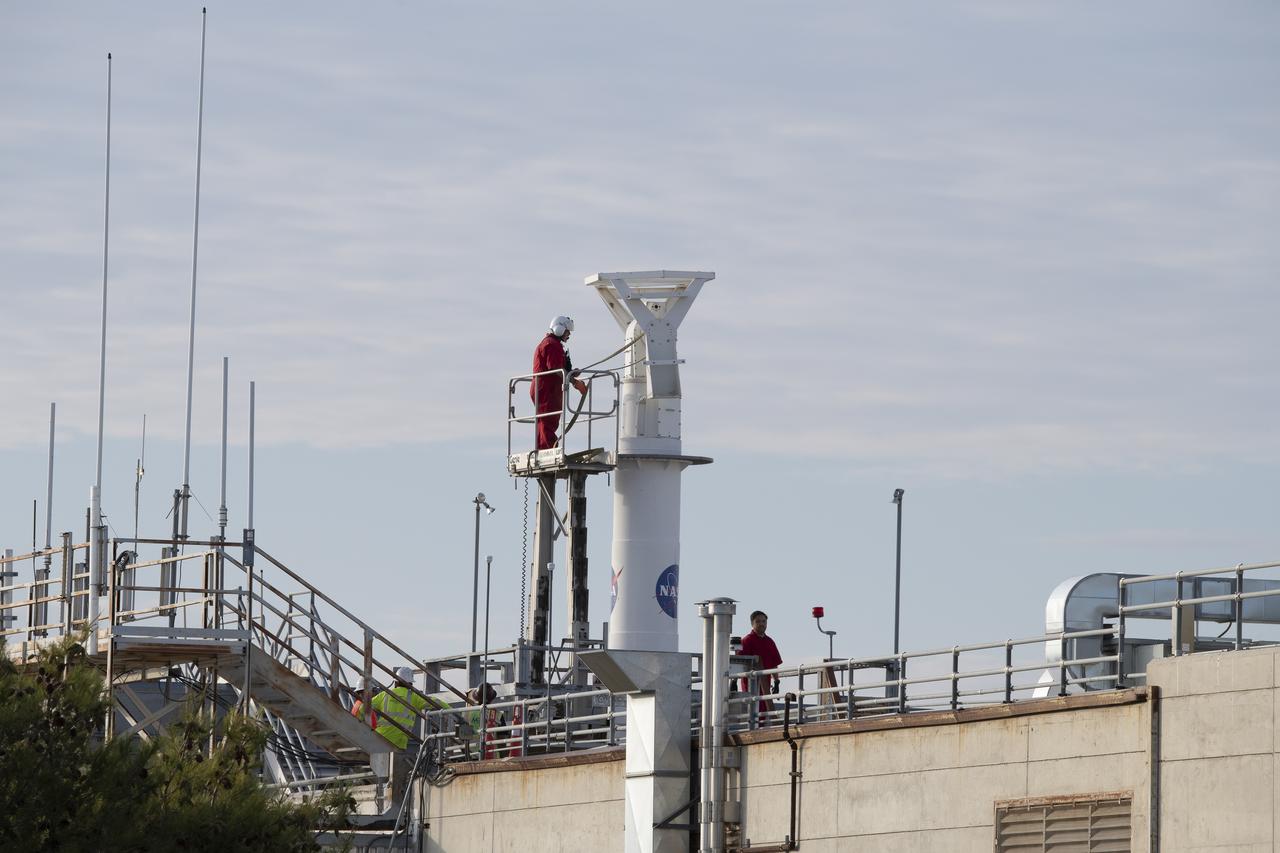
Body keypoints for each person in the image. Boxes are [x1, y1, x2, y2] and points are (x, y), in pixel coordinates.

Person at [532, 315, 588, 450]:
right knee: (547, 421)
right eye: (568, 332)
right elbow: (556, 369)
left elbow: (558, 369)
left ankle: (545, 448)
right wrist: (575, 383)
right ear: (560, 329)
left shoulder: (553, 344)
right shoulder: (551, 344)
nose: (569, 335)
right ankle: (548, 449)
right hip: (546, 390)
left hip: (549, 389)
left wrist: (571, 373)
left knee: (547, 421)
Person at [362, 666, 444, 750]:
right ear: (410, 684)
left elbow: (363, 707)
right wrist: (452, 711)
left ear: (396, 683)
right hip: (400, 742)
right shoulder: (414, 697)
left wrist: (364, 728)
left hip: (380, 737)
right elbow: (436, 702)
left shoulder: (384, 695)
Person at [739, 610, 783, 720]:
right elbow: (739, 664)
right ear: (752, 624)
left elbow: (774, 664)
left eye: (764, 621)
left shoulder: (769, 641)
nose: (761, 624)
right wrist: (734, 680)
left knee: (764, 710)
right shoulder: (746, 641)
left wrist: (776, 681)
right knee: (754, 709)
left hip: (766, 684)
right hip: (750, 684)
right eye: (758, 621)